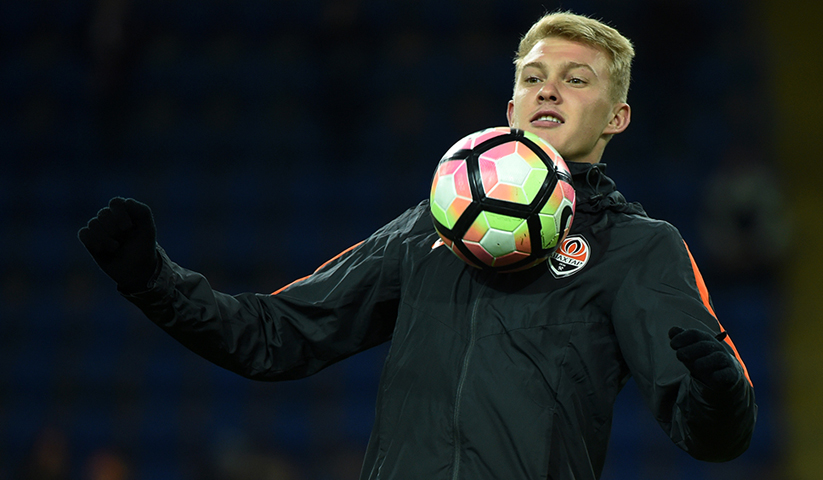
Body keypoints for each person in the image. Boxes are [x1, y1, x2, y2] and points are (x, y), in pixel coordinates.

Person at [78, 11, 757, 480]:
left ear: (617, 117)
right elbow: (278, 336)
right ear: (512, 108)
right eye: (532, 76)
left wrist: (720, 394)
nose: (548, 88)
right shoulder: (430, 225)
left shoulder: (638, 248)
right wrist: (153, 281)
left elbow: (708, 433)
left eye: (577, 79)